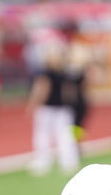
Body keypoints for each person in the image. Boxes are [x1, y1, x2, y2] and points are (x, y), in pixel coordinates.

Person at [26, 44, 80, 175]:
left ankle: (44, 161)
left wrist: (32, 104)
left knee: (43, 135)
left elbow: (41, 89)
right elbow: (70, 92)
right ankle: (68, 161)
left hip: (48, 109)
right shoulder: (65, 73)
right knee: (65, 135)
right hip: (63, 109)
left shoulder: (45, 73)